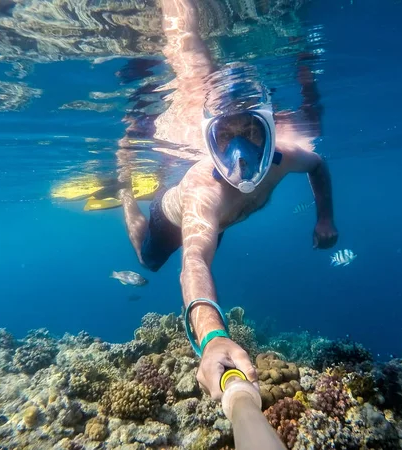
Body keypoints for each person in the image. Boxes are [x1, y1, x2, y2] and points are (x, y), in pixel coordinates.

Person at [118, 0, 338, 401]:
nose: (239, 154)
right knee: (147, 260)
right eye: (224, 137)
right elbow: (194, 263)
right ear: (210, 141)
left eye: (250, 132)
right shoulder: (206, 192)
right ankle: (128, 203)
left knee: (202, 240)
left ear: (269, 131)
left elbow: (318, 166)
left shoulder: (286, 158)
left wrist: (325, 219)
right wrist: (213, 337)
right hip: (172, 218)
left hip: (217, 222)